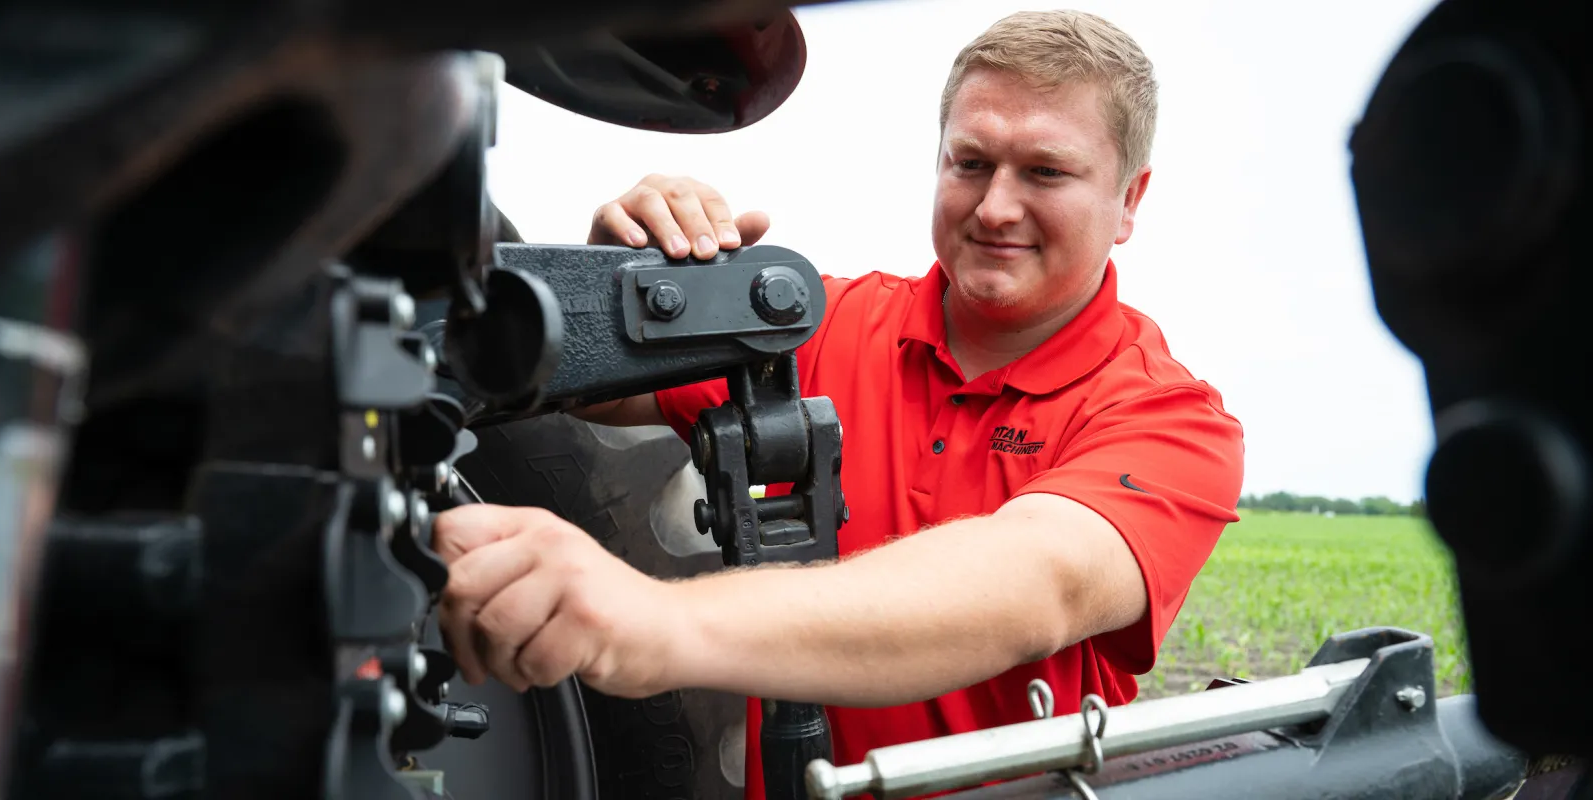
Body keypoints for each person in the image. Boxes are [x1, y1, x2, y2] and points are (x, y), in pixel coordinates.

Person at [432, 8, 1245, 798]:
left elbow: (1037, 586)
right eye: (971, 163)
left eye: (1046, 172)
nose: (996, 206)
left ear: (1130, 199)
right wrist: (612, 301)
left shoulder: (1170, 422)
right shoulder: (821, 328)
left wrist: (651, 621)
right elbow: (600, 403)